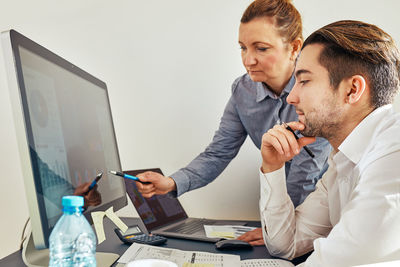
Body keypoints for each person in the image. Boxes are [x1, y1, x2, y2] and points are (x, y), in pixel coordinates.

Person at [136, 0, 331, 245]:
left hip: (324, 213)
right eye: (242, 48)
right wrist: (171, 182)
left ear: (294, 48)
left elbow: (307, 172)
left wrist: (281, 228)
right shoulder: (243, 91)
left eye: (261, 48)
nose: (248, 60)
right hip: (279, 211)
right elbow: (219, 152)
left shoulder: (320, 89)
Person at [259, 20, 400, 266]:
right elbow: (287, 245)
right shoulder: (342, 161)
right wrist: (272, 166)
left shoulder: (394, 149)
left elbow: (346, 259)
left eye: (304, 81)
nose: (291, 98)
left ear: (352, 89)